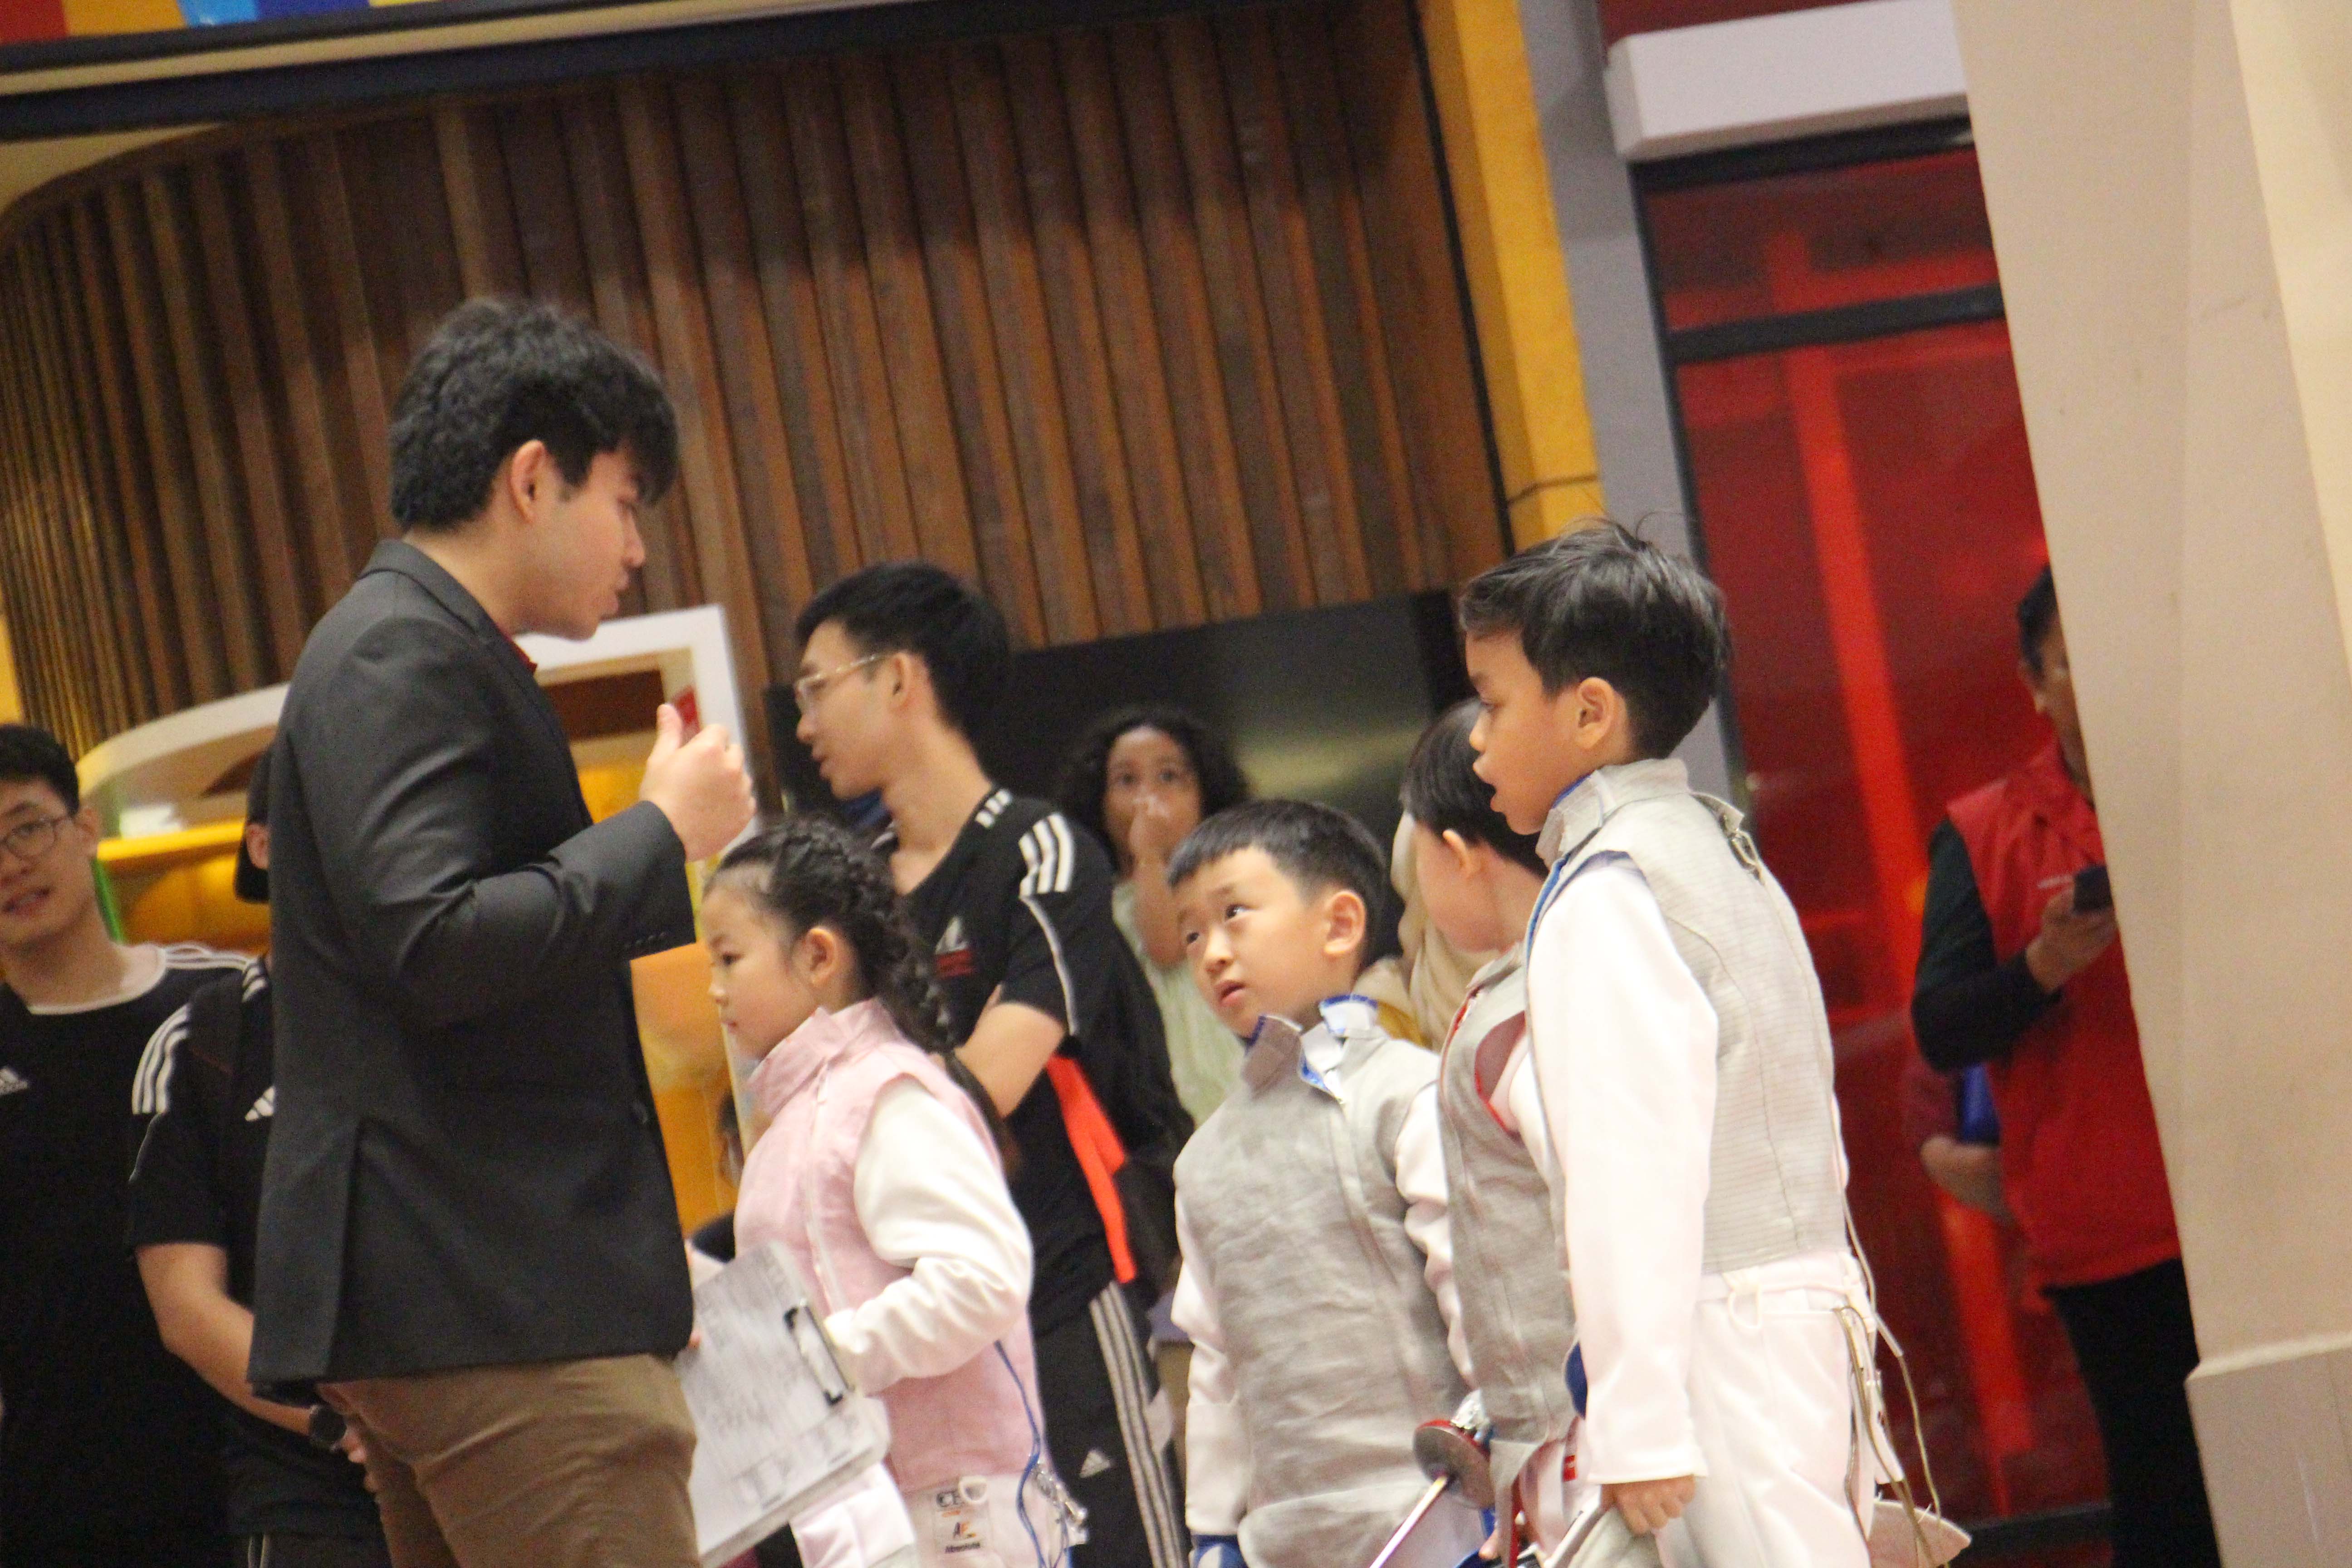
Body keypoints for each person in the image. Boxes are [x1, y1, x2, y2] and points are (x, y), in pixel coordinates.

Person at [249, 299, 757, 1568]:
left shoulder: (405, 643)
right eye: (625, 503)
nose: (636, 547)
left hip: (471, 1289)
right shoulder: (401, 650)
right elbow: (435, 941)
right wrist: (661, 831)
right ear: (532, 479)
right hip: (496, 1294)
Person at [1460, 524, 1877, 1565]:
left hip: (1720, 1339)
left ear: (1589, 712)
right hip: (1793, 1315)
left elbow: (1629, 1171)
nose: (1475, 741)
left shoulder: (1610, 886)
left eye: (1493, 703)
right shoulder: (1714, 844)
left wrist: (1638, 1418)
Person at [791, 562, 1190, 1568]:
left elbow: (986, 1092)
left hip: (1059, 1292)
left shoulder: (1039, 849)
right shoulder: (849, 892)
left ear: (898, 678)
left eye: (817, 688)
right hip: (926, 1332)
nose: (804, 723)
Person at [1911, 566, 2219, 1568]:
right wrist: (2043, 965)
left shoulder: (2214, 780)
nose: (2096, 676)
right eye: (2068, 659)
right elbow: (1940, 1027)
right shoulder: (1983, 829)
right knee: (2167, 1493)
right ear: (2034, 684)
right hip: (2109, 1230)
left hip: (2259, 1196)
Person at [711, 815, 1080, 1568]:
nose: (715, 990)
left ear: (818, 955)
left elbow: (982, 1278)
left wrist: (825, 1355)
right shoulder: (789, 1126)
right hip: (864, 1515)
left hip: (959, 1508)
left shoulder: (888, 1094)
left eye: (730, 958)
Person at [1166, 799, 1479, 1568]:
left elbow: (1473, 1286)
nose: (1211, 954)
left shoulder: (1407, 1092)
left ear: (1338, 924)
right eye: (1192, 933)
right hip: (1283, 1538)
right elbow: (1216, 1361)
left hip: (1443, 1517)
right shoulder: (1204, 1159)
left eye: (1233, 914)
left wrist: (1501, 1458)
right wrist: (1212, 1532)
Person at [127, 750, 390, 1568]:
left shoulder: (442, 1004)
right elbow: (186, 1307)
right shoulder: (206, 1041)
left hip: (480, 1457)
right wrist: (343, 1426)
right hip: (307, 1493)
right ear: (262, 845)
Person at [0, 721, 249, 1565]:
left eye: (28, 828)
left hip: (254, 1463)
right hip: (60, 1495)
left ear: (84, 828)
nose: (10, 864)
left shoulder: (223, 1004)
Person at [1401, 701, 1585, 1554]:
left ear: (1456, 853)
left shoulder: (1534, 1006)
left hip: (1593, 1434)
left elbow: (1597, 1214)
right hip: (1573, 1427)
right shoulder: (1542, 980)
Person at [1056, 706, 1250, 1127]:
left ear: (1204, 795)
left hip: (1208, 1052)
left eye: (1168, 777)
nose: (1148, 797)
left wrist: (1150, 857)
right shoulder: (1095, 899)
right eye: (1127, 780)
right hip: (1141, 1069)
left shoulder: (1220, 882)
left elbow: (1165, 947)